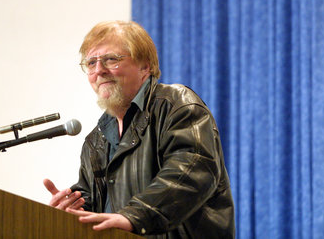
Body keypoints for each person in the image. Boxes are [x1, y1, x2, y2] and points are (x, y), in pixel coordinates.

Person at [43, 20, 235, 238]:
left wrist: (134, 216)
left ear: (145, 66)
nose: (99, 71)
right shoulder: (95, 140)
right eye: (91, 63)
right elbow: (96, 204)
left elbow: (190, 174)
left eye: (110, 60)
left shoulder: (177, 106)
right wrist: (73, 212)